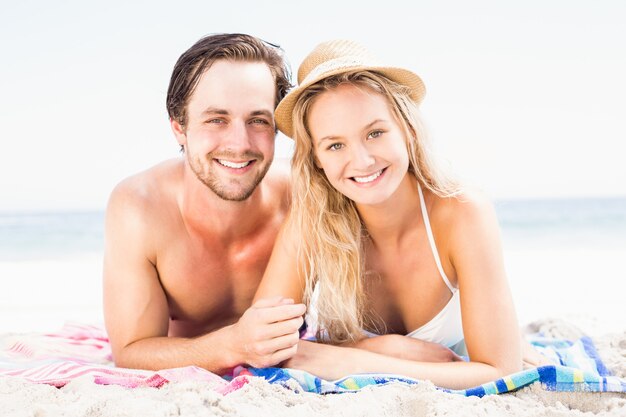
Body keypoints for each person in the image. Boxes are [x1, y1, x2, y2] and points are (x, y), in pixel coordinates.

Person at [255, 40, 547, 390]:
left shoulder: (462, 213)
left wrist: (351, 359)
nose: (362, 161)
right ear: (317, 157)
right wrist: (384, 347)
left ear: (407, 129)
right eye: (335, 145)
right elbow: (263, 343)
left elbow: (501, 373)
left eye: (375, 133)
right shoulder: (312, 222)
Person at [103, 33, 306, 373]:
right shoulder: (139, 208)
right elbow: (131, 350)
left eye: (258, 120)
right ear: (179, 128)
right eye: (216, 120)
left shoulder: (303, 196)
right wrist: (234, 345)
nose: (239, 144)